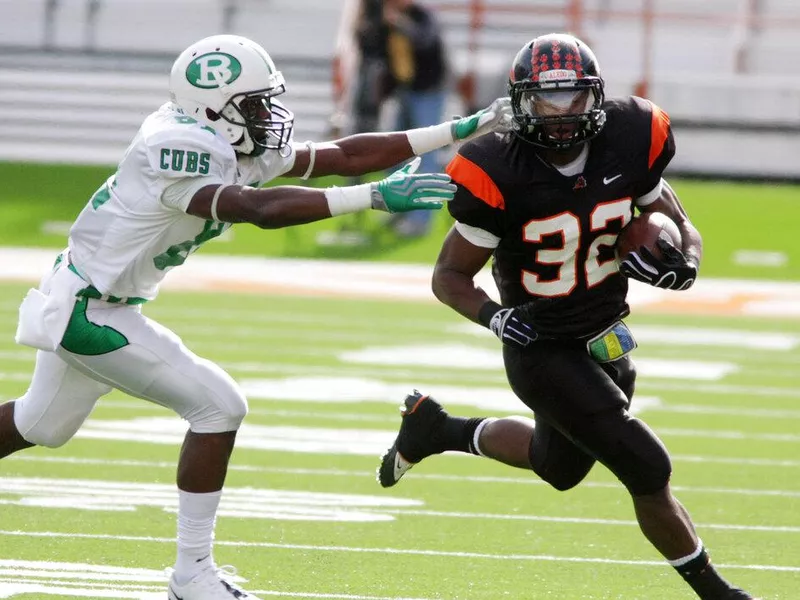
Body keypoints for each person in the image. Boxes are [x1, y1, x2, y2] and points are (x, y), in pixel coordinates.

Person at [0, 34, 512, 600]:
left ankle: (191, 576)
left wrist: (462, 128)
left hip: (91, 295)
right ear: (214, 107)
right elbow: (254, 208)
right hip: (87, 310)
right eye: (253, 102)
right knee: (219, 407)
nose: (267, 114)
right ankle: (192, 576)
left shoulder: (223, 135)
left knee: (38, 425)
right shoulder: (178, 145)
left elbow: (341, 156)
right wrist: (372, 199)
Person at [377, 33, 757, 600]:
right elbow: (448, 277)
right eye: (544, 102)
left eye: (573, 100)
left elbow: (679, 221)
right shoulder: (495, 168)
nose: (559, 116)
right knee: (647, 468)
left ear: (595, 98)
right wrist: (497, 319)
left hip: (605, 334)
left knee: (557, 468)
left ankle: (437, 428)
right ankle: (717, 593)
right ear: (519, 102)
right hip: (541, 343)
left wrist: (687, 263)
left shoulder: (633, 136)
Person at [382, 0, 449, 238]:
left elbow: (424, 41)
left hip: (428, 92)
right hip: (406, 91)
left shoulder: (423, 16)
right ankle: (397, 206)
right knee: (393, 152)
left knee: (425, 154)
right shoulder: (385, 16)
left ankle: (420, 219)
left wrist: (400, 24)